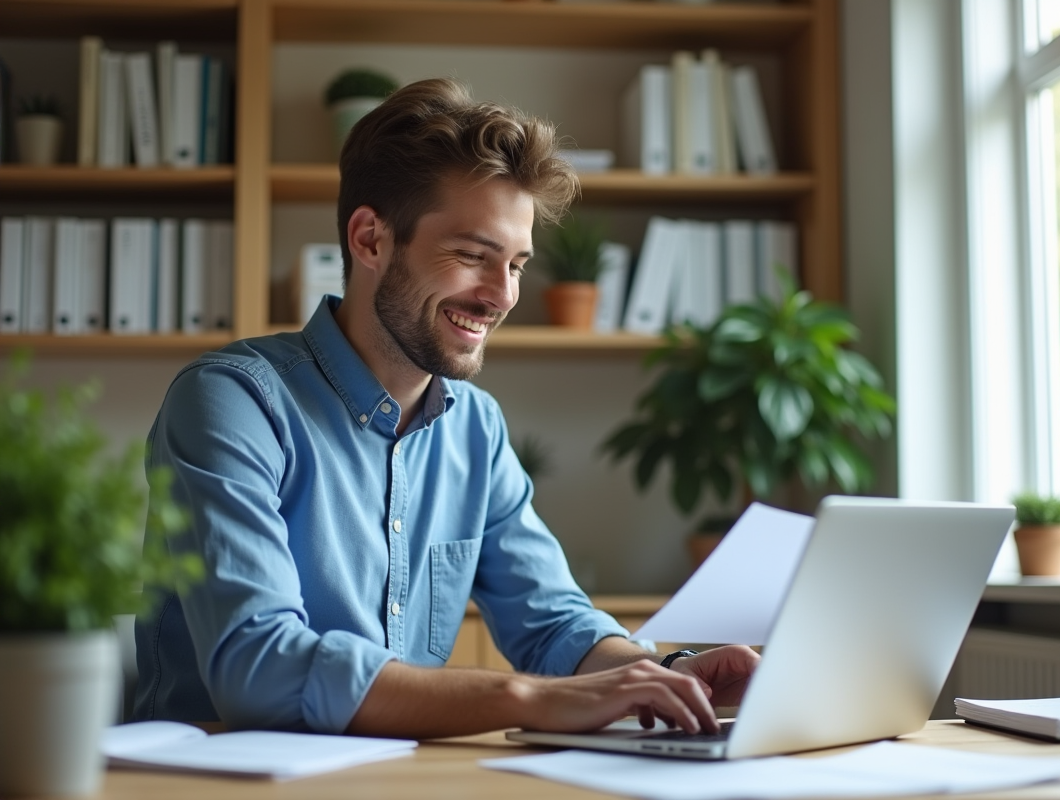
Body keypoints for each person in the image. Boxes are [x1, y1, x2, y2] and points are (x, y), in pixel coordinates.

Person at [134, 77, 758, 739]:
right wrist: (527, 698)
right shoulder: (233, 400)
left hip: (396, 775)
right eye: (472, 255)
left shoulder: (475, 427)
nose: (502, 296)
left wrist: (665, 674)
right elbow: (260, 670)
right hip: (217, 774)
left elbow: (553, 625)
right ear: (370, 239)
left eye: (516, 265)